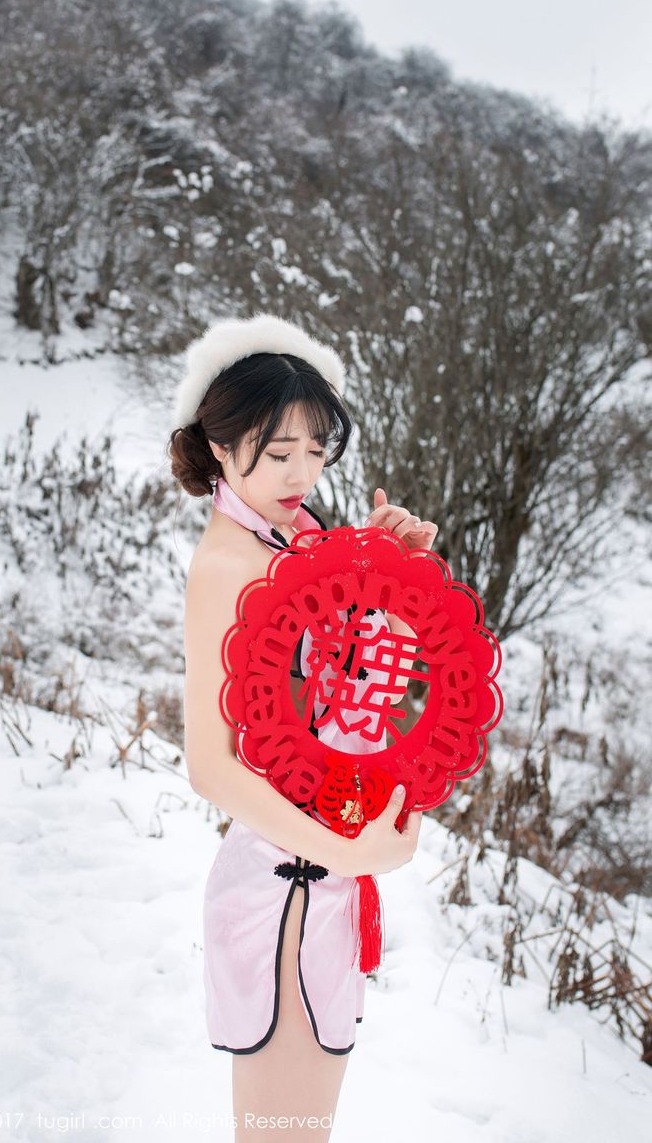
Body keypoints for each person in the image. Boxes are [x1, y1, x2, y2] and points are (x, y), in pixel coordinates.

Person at [167, 313, 431, 1142]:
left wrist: (397, 567)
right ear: (219, 445)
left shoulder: (302, 535)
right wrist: (347, 852)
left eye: (316, 450)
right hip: (286, 887)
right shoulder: (228, 566)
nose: (301, 472)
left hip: (328, 880)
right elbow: (211, 766)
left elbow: (350, 692)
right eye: (277, 453)